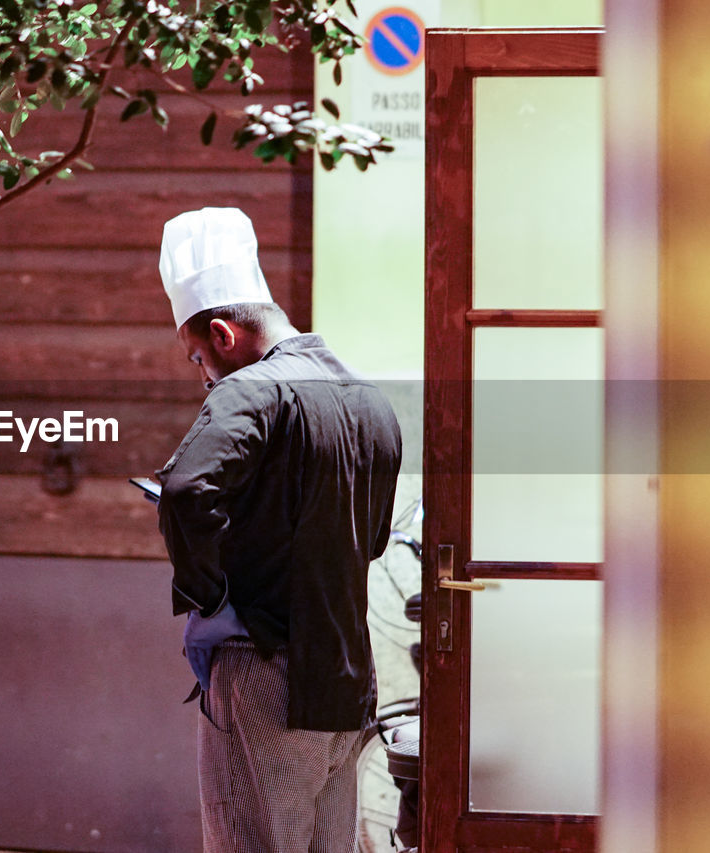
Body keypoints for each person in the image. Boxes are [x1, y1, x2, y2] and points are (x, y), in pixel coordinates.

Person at [154, 207, 402, 852]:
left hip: (264, 672)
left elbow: (184, 490)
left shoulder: (250, 392)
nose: (202, 375)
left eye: (197, 359)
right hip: (346, 678)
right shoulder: (369, 400)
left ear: (222, 334)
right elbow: (371, 538)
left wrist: (209, 594)